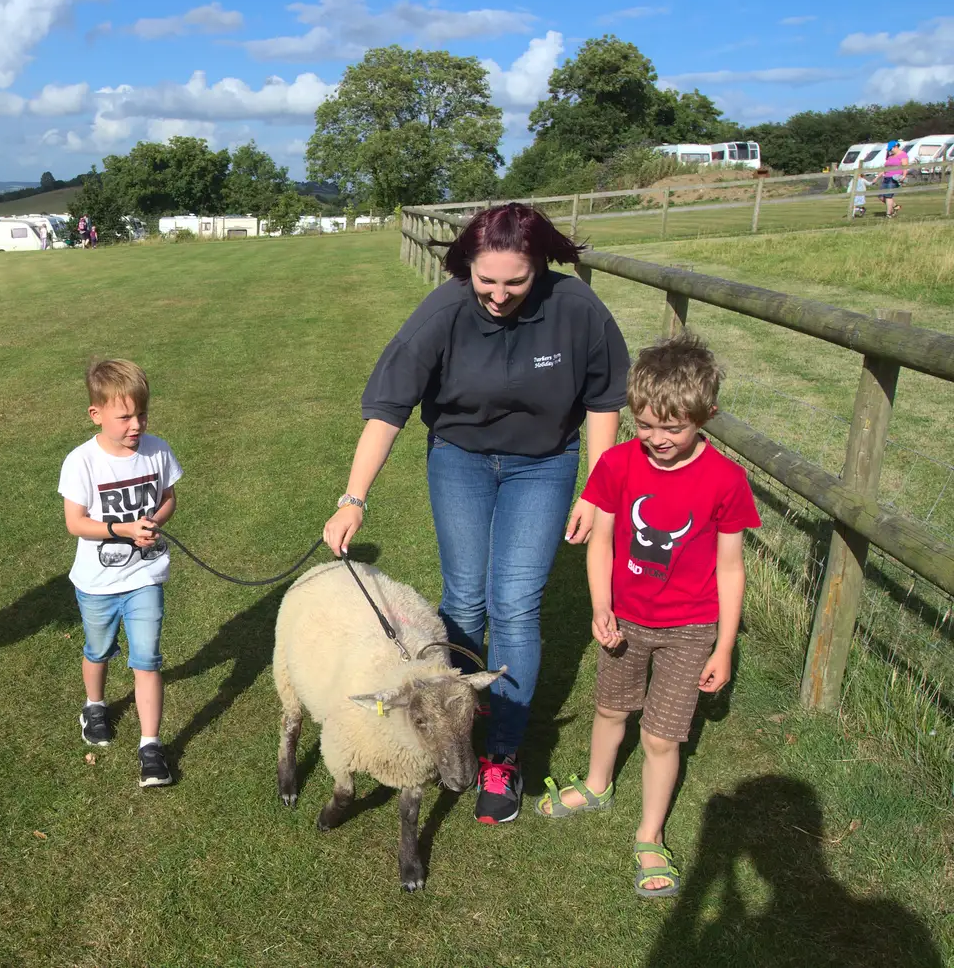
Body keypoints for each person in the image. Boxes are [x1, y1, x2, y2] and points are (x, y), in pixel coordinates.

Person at [322, 202, 631, 825]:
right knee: (464, 600)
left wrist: (597, 490)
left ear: (539, 266)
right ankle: (451, 728)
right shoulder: (443, 311)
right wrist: (353, 498)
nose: (497, 295)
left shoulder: (576, 310)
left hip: (542, 465)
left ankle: (504, 754)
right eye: (485, 280)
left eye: (514, 282)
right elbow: (388, 408)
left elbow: (603, 401)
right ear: (468, 267)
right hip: (460, 460)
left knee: (514, 601)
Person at [534, 333, 759, 897]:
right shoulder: (615, 464)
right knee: (610, 710)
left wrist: (723, 646)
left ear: (706, 415)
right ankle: (596, 784)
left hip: (690, 631)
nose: (657, 440)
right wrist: (600, 607)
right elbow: (602, 542)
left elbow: (730, 568)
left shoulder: (727, 480)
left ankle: (650, 833)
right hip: (624, 622)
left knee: (662, 738)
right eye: (646, 424)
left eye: (673, 428)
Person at [58, 359, 183, 788]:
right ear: (96, 414)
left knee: (146, 658)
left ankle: (151, 746)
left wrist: (155, 522)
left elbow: (168, 498)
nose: (136, 425)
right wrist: (122, 529)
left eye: (142, 414)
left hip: (145, 576)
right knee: (99, 650)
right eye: (125, 416)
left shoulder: (158, 449)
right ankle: (94, 705)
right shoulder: (82, 462)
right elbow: (75, 522)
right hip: (97, 583)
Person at [880, 140, 908, 217]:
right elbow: (886, 165)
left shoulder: (903, 155)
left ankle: (889, 214)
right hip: (886, 177)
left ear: (895, 147)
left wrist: (904, 176)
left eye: (891, 149)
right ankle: (895, 206)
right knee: (881, 196)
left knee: (888, 196)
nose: (890, 151)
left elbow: (905, 166)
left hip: (894, 178)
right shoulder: (890, 156)